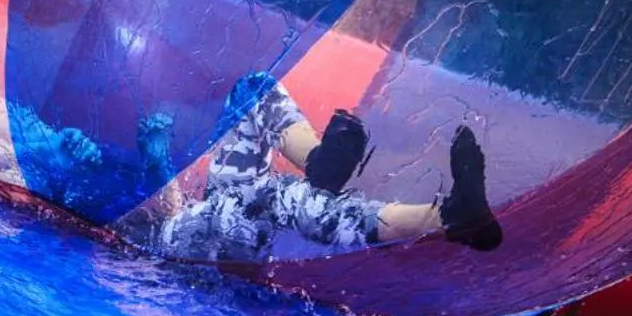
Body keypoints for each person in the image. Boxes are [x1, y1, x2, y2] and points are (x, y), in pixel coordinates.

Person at [146, 72, 503, 260]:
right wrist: (158, 157)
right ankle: (321, 166)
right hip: (178, 241)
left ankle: (453, 217)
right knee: (266, 200)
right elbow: (169, 211)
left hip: (222, 215)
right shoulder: (115, 216)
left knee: (254, 93)